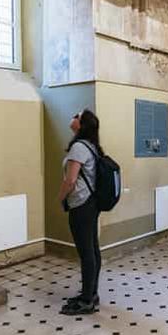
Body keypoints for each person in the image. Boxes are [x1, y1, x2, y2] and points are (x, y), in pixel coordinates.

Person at [59, 110, 103, 315]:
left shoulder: (79, 147)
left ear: (81, 124)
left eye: (77, 115)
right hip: (91, 203)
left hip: (81, 204)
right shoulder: (92, 146)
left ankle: (87, 300)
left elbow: (70, 180)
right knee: (92, 249)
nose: (73, 116)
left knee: (86, 252)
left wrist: (60, 198)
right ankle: (91, 293)